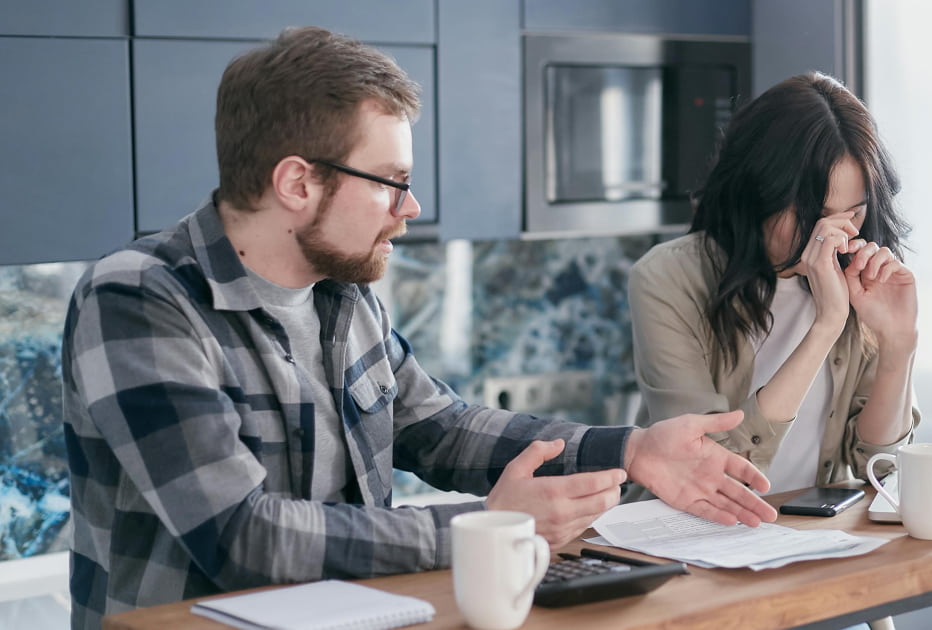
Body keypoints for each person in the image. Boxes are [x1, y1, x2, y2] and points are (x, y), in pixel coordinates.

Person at [61, 26, 775, 630]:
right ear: (297, 183)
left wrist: (633, 447)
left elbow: (440, 428)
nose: (411, 206)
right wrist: (486, 531)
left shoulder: (341, 290)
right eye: (390, 181)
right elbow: (240, 535)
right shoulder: (139, 299)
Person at [627, 71, 920, 497]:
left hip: (805, 538)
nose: (835, 234)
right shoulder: (666, 279)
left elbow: (879, 467)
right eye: (812, 214)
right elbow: (706, 473)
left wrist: (899, 344)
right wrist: (826, 325)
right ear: (757, 193)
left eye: (853, 213)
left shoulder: (864, 274)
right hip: (685, 535)